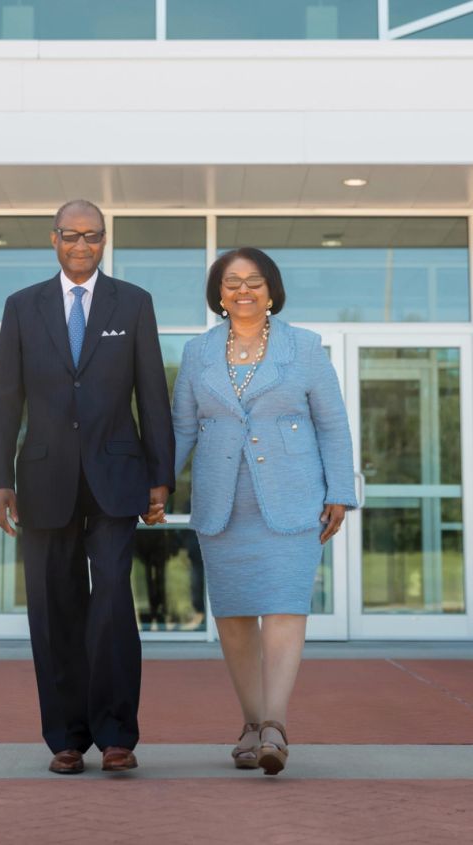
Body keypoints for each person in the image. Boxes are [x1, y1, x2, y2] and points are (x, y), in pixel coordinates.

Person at [0, 199, 174, 775]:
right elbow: (4, 400)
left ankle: (117, 734)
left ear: (105, 240)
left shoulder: (133, 303)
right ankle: (66, 737)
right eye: (72, 235)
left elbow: (153, 394)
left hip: (117, 477)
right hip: (43, 478)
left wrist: (160, 476)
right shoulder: (22, 307)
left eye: (93, 236)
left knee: (113, 599)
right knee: (53, 606)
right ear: (54, 239)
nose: (82, 245)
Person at [172, 247, 357, 775]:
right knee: (232, 617)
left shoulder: (305, 347)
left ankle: (274, 724)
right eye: (232, 283)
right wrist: (155, 486)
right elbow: (182, 427)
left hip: (293, 499)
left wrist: (338, 490)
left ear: (271, 291)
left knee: (283, 609)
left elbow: (333, 425)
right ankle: (252, 724)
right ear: (219, 295)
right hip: (221, 504)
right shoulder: (197, 352)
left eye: (254, 281)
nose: (243, 290)